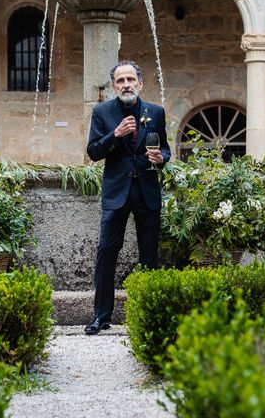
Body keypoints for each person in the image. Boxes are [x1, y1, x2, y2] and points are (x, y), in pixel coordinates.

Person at [84, 60, 171, 335]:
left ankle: (147, 314)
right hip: (116, 193)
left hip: (146, 190)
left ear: (140, 83)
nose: (126, 85)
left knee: (149, 254)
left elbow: (166, 150)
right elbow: (93, 152)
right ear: (113, 86)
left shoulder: (155, 112)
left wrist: (161, 158)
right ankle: (101, 316)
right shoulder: (102, 112)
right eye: (120, 81)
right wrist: (115, 134)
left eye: (130, 80)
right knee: (107, 253)